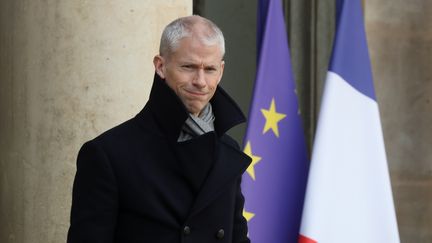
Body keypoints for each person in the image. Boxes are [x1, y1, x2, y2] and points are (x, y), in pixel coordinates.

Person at [67, 15, 252, 243]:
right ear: (161, 66)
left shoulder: (226, 150)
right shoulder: (108, 154)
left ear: (221, 71)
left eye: (210, 69)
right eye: (189, 67)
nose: (201, 81)